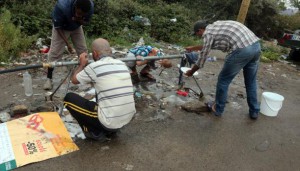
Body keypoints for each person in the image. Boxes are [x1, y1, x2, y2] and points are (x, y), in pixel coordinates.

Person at [185, 20, 261, 120]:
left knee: (223, 80)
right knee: (250, 82)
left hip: (242, 50)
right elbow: (208, 46)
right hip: (256, 47)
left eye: (197, 33)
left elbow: (202, 57)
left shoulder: (208, 33)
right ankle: (254, 111)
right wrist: (193, 48)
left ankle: (218, 108)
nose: (198, 36)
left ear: (200, 30)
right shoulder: (216, 26)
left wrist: (191, 71)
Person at [63, 38, 136, 141]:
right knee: (101, 91)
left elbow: (74, 80)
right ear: (110, 51)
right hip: (127, 118)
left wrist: (82, 64)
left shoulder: (94, 66)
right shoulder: (121, 64)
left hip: (110, 122)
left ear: (95, 54)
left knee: (69, 98)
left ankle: (93, 131)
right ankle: (111, 126)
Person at [44, 0, 94, 90]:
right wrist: (68, 44)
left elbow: (86, 22)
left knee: (83, 50)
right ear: (75, 6)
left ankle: (87, 76)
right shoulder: (62, 6)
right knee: (55, 53)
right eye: (78, 13)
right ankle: (49, 78)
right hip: (62, 28)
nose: (79, 15)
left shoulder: (90, 7)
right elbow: (57, 27)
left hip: (77, 26)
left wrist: (79, 20)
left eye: (82, 14)